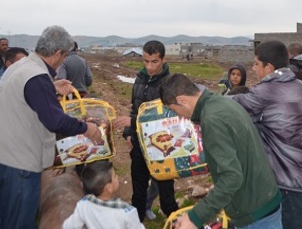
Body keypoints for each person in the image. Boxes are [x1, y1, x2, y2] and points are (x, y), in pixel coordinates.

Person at [232, 40, 302, 229]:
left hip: (298, 184)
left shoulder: (263, 92)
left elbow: (230, 106)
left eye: (255, 63)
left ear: (268, 66)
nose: (253, 69)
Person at [0, 25, 102, 229]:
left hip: (7, 156)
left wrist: (51, 87)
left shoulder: (21, 67)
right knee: (19, 221)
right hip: (21, 164)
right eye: (64, 56)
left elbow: (25, 96)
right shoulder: (36, 76)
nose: (63, 60)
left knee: (8, 216)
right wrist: (87, 128)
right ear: (58, 53)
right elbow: (54, 120)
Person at [159, 73, 282, 229]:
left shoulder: (212, 119)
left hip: (254, 215)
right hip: (264, 199)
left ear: (182, 100)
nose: (179, 116)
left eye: (174, 110)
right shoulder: (222, 103)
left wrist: (195, 217)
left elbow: (232, 177)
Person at [113, 40, 178, 222]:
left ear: (163, 60)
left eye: (154, 62)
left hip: (161, 146)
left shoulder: (170, 83)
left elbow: (167, 118)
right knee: (138, 192)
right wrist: (128, 132)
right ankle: (136, 222)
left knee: (167, 197)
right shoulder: (140, 78)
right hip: (139, 144)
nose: (149, 67)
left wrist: (133, 122)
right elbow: (135, 107)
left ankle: (178, 222)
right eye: (146, 61)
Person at [63, 160, 144, 229]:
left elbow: (68, 226)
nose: (117, 177)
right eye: (115, 176)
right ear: (109, 187)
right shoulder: (126, 212)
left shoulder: (83, 204)